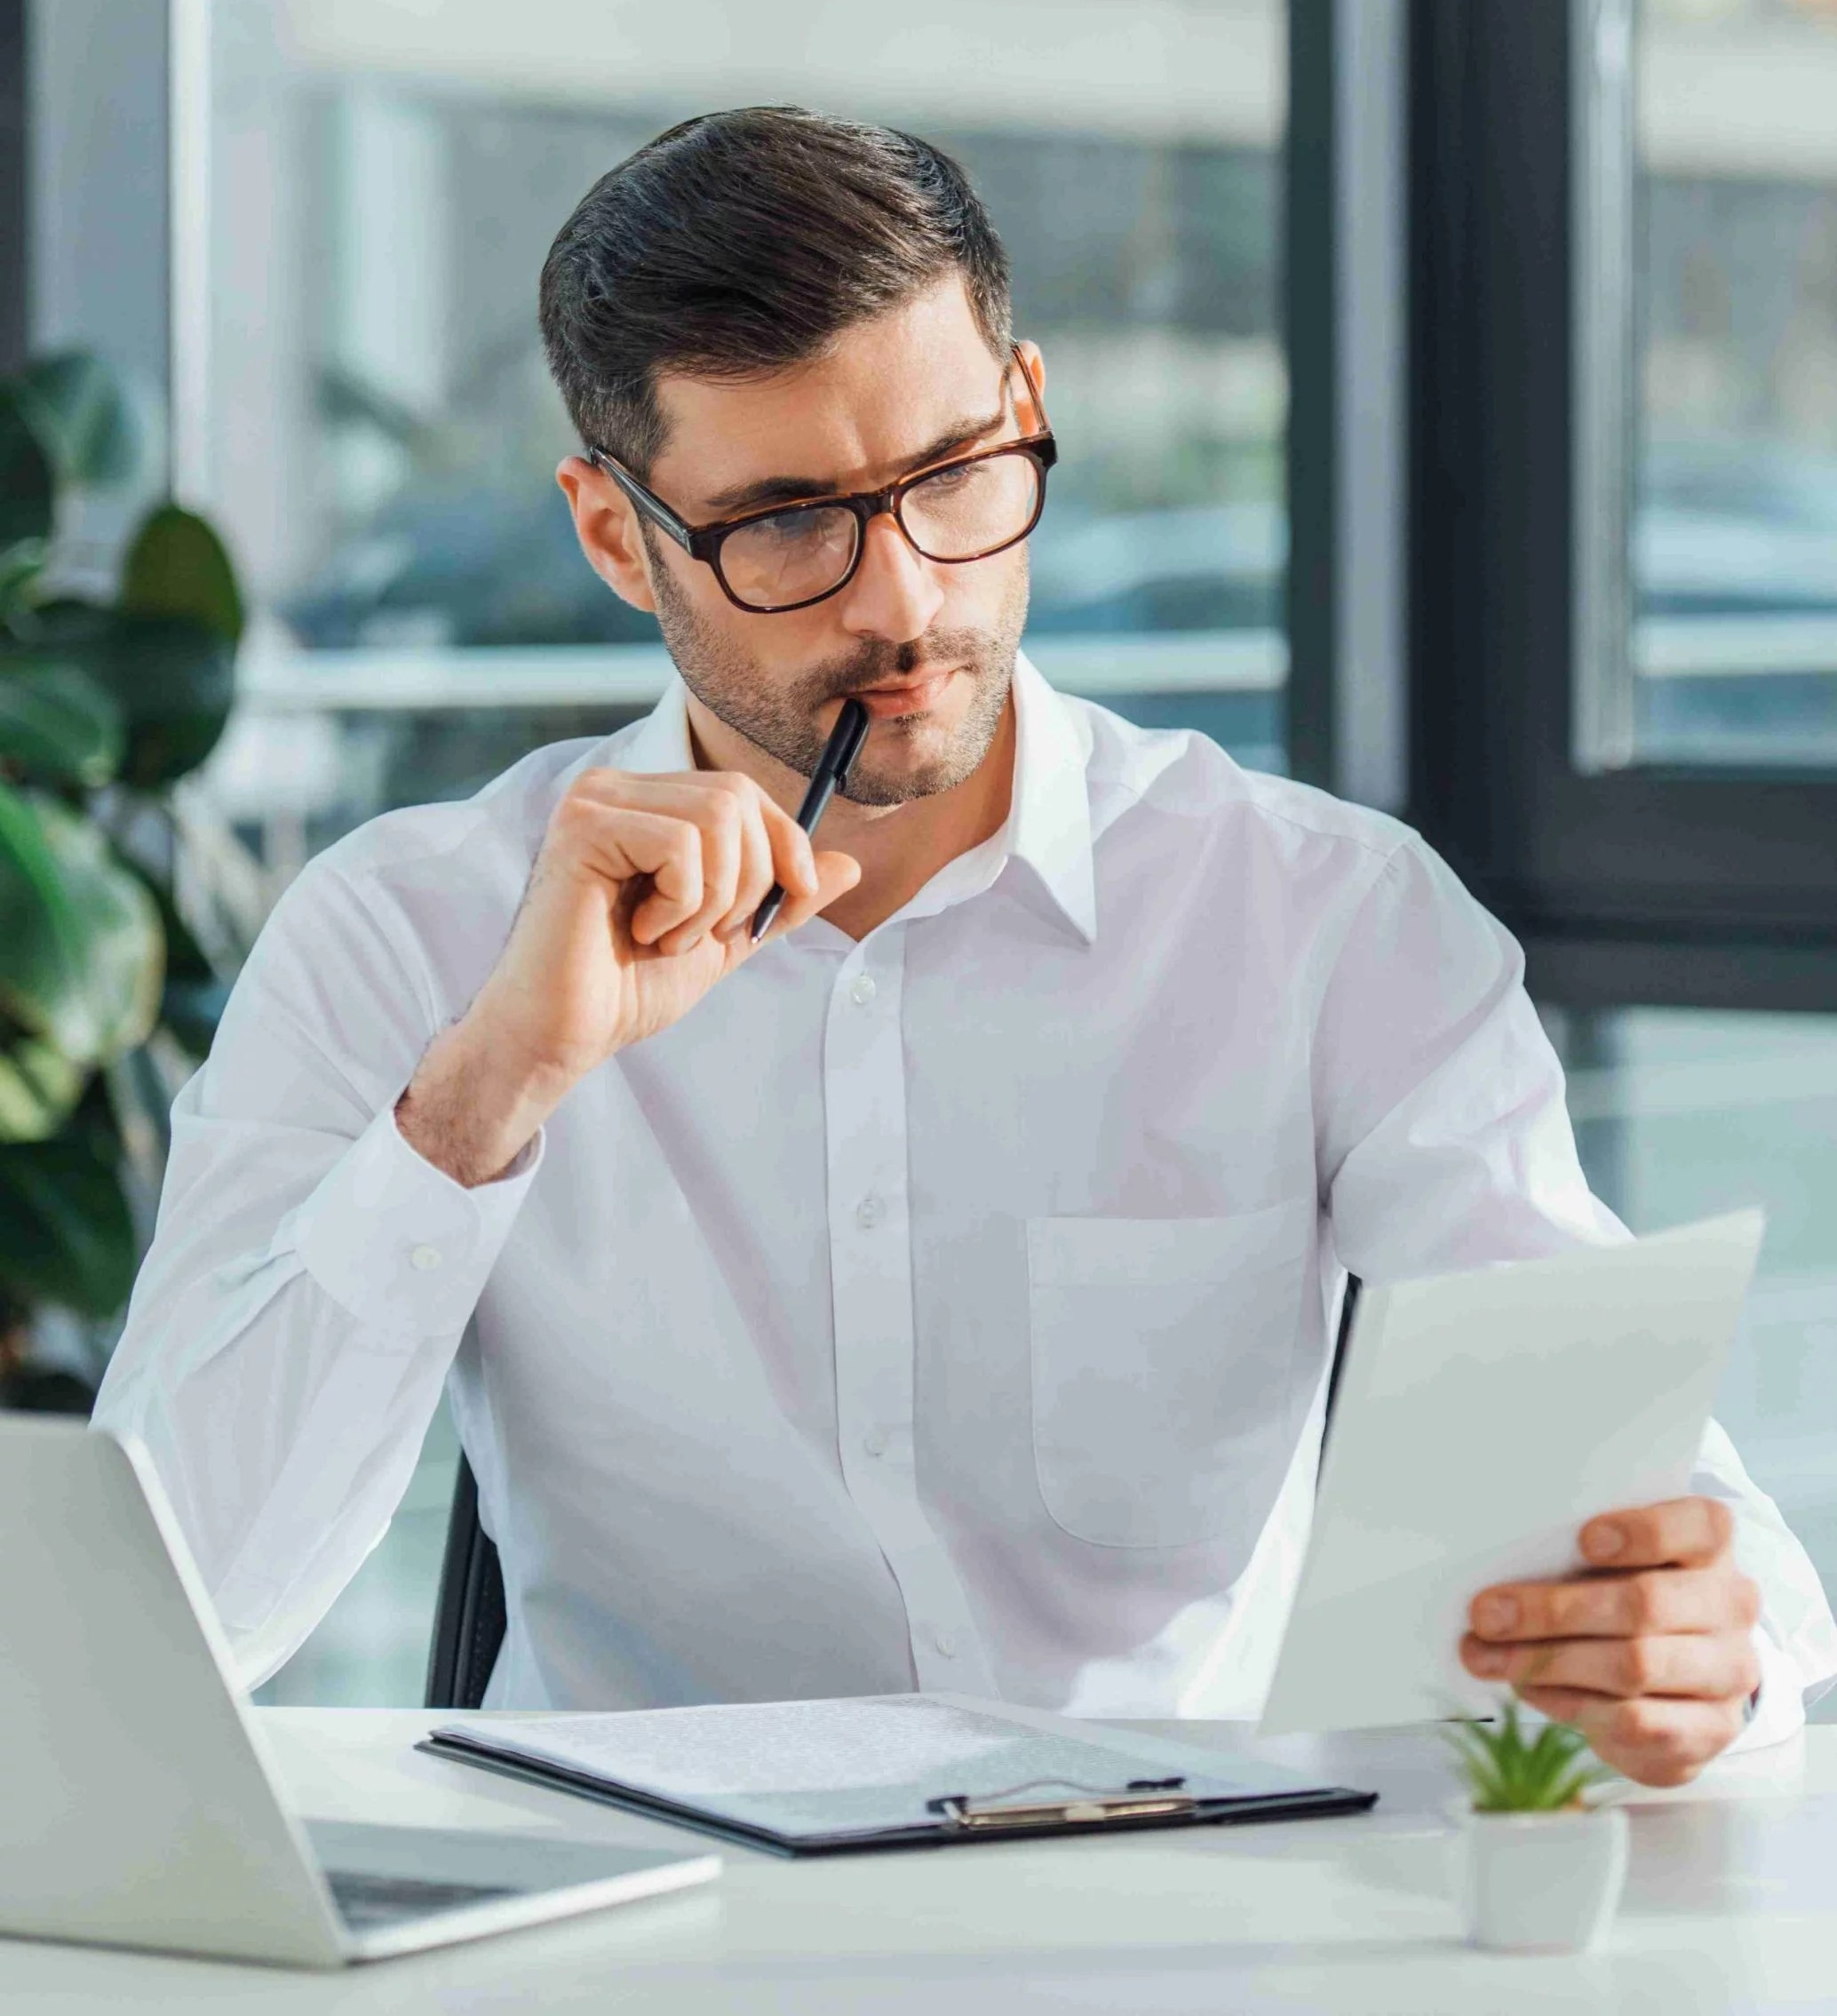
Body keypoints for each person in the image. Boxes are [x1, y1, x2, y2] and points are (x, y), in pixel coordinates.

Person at [97, 108, 1835, 1785]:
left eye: (950, 475)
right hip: (624, 1943)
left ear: (1023, 408)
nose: (900, 600)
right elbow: (162, 1631)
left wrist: (1697, 1646)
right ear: (617, 533)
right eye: (784, 521)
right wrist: (481, 1094)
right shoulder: (403, 932)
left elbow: (1659, 1514)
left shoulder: (1319, 925)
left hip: (1167, 1913)